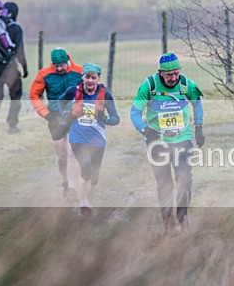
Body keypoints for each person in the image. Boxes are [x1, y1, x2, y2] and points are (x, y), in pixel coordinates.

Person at [130, 53, 204, 232]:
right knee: (164, 184)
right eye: (169, 74)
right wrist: (145, 129)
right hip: (158, 143)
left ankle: (183, 217)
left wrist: (199, 126)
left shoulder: (186, 84)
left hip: (182, 138)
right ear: (160, 73)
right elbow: (134, 113)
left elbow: (197, 102)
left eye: (176, 73)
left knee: (185, 179)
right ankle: (168, 225)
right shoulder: (149, 86)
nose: (173, 78)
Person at [58, 63, 119, 216]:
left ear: (98, 78)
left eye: (93, 77)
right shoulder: (73, 91)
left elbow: (116, 119)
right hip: (77, 138)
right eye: (87, 77)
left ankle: (89, 201)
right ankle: (83, 203)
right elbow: (61, 102)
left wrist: (104, 118)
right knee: (86, 169)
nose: (90, 81)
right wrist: (65, 113)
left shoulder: (105, 95)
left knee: (94, 176)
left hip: (97, 140)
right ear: (82, 77)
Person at [29, 48, 83, 197]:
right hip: (55, 118)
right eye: (56, 66)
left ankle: (72, 187)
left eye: (62, 65)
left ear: (68, 61)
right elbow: (34, 95)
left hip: (74, 118)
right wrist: (45, 114)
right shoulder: (44, 75)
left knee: (73, 153)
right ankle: (66, 180)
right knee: (62, 156)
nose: (59, 69)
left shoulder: (80, 72)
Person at [0, 1, 27, 134]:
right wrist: (24, 69)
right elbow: (19, 51)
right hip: (10, 67)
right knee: (15, 95)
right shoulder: (15, 29)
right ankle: (12, 125)